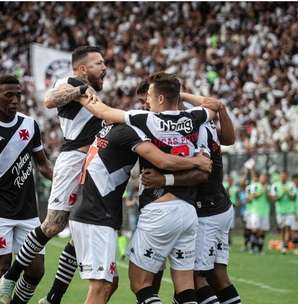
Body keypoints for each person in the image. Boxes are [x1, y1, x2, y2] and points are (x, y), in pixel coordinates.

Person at [79, 72, 219, 304]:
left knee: (140, 283)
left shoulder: (146, 119)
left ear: (161, 98)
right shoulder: (195, 116)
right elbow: (214, 105)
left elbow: (102, 111)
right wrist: (180, 93)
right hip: (188, 212)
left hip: (160, 209)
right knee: (185, 285)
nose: (147, 101)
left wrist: (80, 92)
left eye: (151, 96)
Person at [0, 46, 107, 304]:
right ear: (82, 68)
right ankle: (9, 278)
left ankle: (51, 298)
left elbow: (42, 163)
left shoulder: (30, 124)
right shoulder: (69, 81)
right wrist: (80, 89)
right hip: (73, 160)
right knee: (54, 225)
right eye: (99, 63)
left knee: (82, 227)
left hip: (91, 163)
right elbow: (49, 100)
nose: (105, 67)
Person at [142, 94, 241, 304]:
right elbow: (229, 138)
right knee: (217, 276)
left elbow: (202, 171)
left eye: (149, 100)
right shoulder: (203, 123)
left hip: (207, 209)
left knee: (195, 279)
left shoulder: (191, 127)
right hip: (219, 205)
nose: (147, 106)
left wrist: (163, 179)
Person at [0, 75, 53, 304]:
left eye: (18, 95)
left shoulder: (29, 125)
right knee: (3, 267)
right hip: (1, 213)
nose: (15, 100)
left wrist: (64, 181)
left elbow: (42, 164)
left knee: (36, 270)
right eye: (8, 95)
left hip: (29, 211)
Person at [270, 171, 295, 253]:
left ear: (287, 177)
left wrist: (287, 192)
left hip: (289, 210)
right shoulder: (275, 185)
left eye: (285, 176)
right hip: (280, 211)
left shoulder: (291, 185)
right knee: (283, 228)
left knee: (287, 227)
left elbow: (293, 197)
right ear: (280, 177)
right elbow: (274, 199)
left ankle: (285, 246)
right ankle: (283, 242)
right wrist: (281, 194)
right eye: (282, 176)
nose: (283, 178)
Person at [248, 174, 270, 254]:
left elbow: (270, 200)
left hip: (265, 211)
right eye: (262, 177)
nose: (264, 179)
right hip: (256, 211)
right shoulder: (255, 186)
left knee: (262, 231)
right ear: (260, 178)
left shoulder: (268, 187)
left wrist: (268, 193)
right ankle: (252, 247)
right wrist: (262, 190)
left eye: (265, 178)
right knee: (255, 229)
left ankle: (260, 248)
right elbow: (253, 196)